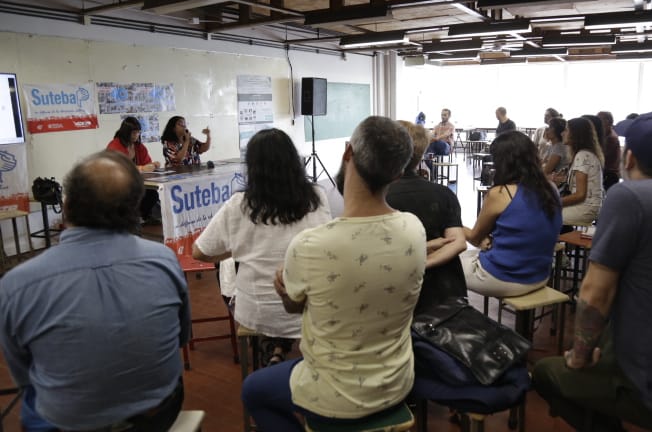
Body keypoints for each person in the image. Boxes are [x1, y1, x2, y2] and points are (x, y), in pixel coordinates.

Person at [533, 110, 652, 432]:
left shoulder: (629, 195)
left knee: (546, 373)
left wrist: (579, 357)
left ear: (629, 157)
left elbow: (595, 293)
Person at [241, 116, 426, 431]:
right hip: (396, 383)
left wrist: (284, 293)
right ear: (397, 173)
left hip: (333, 394)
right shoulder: (414, 228)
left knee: (253, 390)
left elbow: (294, 307)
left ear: (347, 152)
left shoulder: (310, 245)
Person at [0, 151, 190, 432]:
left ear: (66, 205)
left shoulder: (17, 285)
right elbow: (181, 337)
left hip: (69, 424)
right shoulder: (164, 260)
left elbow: (23, 372)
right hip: (158, 413)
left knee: (34, 396)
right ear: (136, 209)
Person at [192, 128, 332, 365]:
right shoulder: (317, 196)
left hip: (258, 312)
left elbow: (200, 252)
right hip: (309, 307)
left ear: (253, 167)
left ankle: (273, 346)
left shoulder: (240, 204)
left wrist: (238, 249)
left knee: (227, 269)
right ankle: (279, 346)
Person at [462, 131, 562, 297]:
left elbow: (474, 238)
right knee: (469, 256)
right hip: (539, 275)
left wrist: (455, 226)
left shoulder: (501, 193)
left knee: (445, 262)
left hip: (505, 278)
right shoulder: (551, 188)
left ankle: (450, 311)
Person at [387, 121, 467, 314]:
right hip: (444, 293)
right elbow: (457, 242)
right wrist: (424, 262)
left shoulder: (379, 198)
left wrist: (415, 264)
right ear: (421, 154)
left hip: (398, 292)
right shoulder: (444, 194)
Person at [107, 116, 161, 222]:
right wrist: (142, 168)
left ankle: (142, 216)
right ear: (126, 132)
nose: (137, 135)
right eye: (134, 133)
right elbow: (121, 167)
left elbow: (147, 163)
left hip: (135, 182)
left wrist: (153, 165)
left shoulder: (139, 147)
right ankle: (132, 218)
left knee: (152, 193)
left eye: (138, 132)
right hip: (117, 183)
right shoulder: (115, 145)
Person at [559, 117, 604, 226]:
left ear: (576, 134)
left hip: (584, 208)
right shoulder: (586, 154)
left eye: (566, 130)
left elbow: (580, 195)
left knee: (543, 214)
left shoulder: (582, 155)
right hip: (590, 207)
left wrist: (554, 203)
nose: (562, 133)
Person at [597, 111, 621, 190]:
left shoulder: (611, 138)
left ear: (607, 121)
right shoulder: (606, 135)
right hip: (606, 172)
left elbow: (601, 156)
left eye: (599, 119)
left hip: (609, 174)